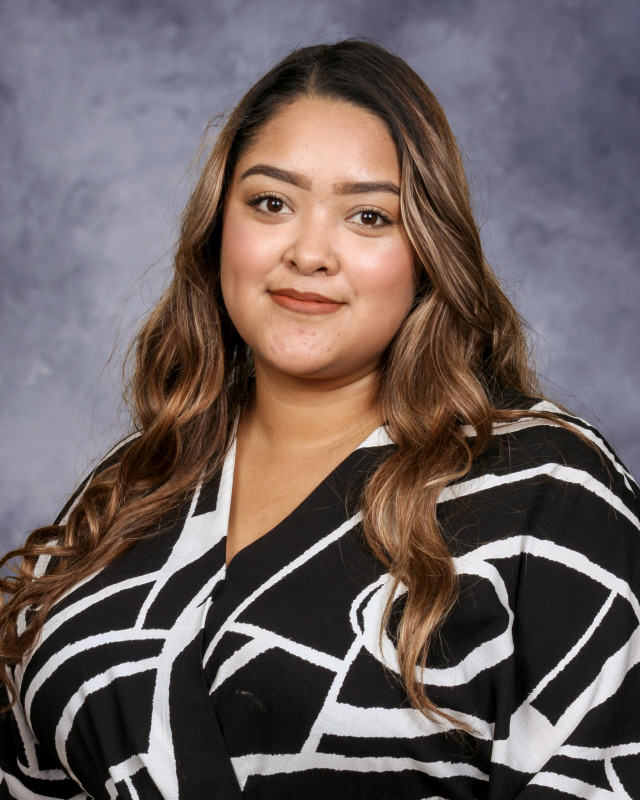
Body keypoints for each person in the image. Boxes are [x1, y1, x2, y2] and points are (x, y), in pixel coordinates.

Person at [1, 39, 639, 800]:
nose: (309, 253)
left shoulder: (547, 490)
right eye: (271, 203)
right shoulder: (130, 491)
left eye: (368, 216)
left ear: (428, 252)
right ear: (218, 228)